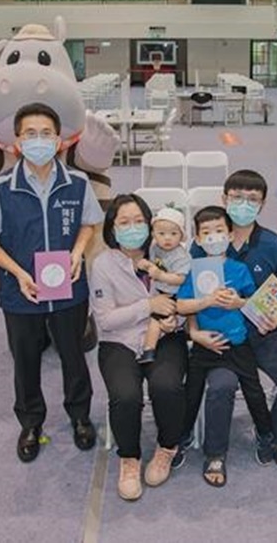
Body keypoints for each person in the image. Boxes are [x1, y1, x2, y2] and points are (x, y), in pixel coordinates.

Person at [0, 102, 102, 464]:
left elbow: (89, 224)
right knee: (25, 360)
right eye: (30, 134)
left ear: (59, 141)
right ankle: (31, 423)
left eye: (46, 133)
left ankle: (80, 416)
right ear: (17, 142)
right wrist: (18, 273)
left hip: (69, 290)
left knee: (74, 356)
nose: (39, 140)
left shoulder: (78, 183)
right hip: (21, 293)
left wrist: (77, 252)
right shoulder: (0, 188)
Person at [180, 169, 277, 471]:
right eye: (237, 197)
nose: (244, 204)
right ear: (224, 198)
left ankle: (275, 436)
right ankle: (215, 453)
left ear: (262, 204)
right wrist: (194, 333)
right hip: (221, 335)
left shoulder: (274, 245)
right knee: (221, 387)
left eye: (252, 199)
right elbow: (188, 294)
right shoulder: (204, 243)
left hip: (263, 332)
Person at [90, 194, 188, 501]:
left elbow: (186, 297)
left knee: (166, 386)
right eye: (124, 222)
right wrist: (147, 306)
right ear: (112, 228)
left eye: (138, 221)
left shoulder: (168, 252)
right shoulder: (103, 264)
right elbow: (105, 320)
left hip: (166, 336)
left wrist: (174, 320)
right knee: (125, 395)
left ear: (150, 224)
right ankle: (129, 458)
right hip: (118, 340)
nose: (132, 228)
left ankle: (167, 447)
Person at [176, 206, 272, 488]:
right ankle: (182, 437)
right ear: (197, 239)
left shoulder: (239, 270)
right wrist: (205, 303)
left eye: (219, 231)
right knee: (191, 392)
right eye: (206, 233)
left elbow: (255, 303)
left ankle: (265, 434)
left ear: (230, 235)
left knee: (254, 390)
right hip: (205, 344)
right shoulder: (195, 271)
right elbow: (181, 306)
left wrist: (238, 302)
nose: (213, 237)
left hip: (238, 343)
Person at [136, 206, 190, 364]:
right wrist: (146, 264)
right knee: (153, 317)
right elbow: (154, 264)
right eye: (161, 233)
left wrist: (161, 275)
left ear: (181, 236)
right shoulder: (155, 247)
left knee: (155, 319)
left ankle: (148, 350)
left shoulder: (181, 256)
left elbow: (181, 278)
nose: (167, 238)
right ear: (153, 234)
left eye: (173, 234)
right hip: (158, 291)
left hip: (174, 294)